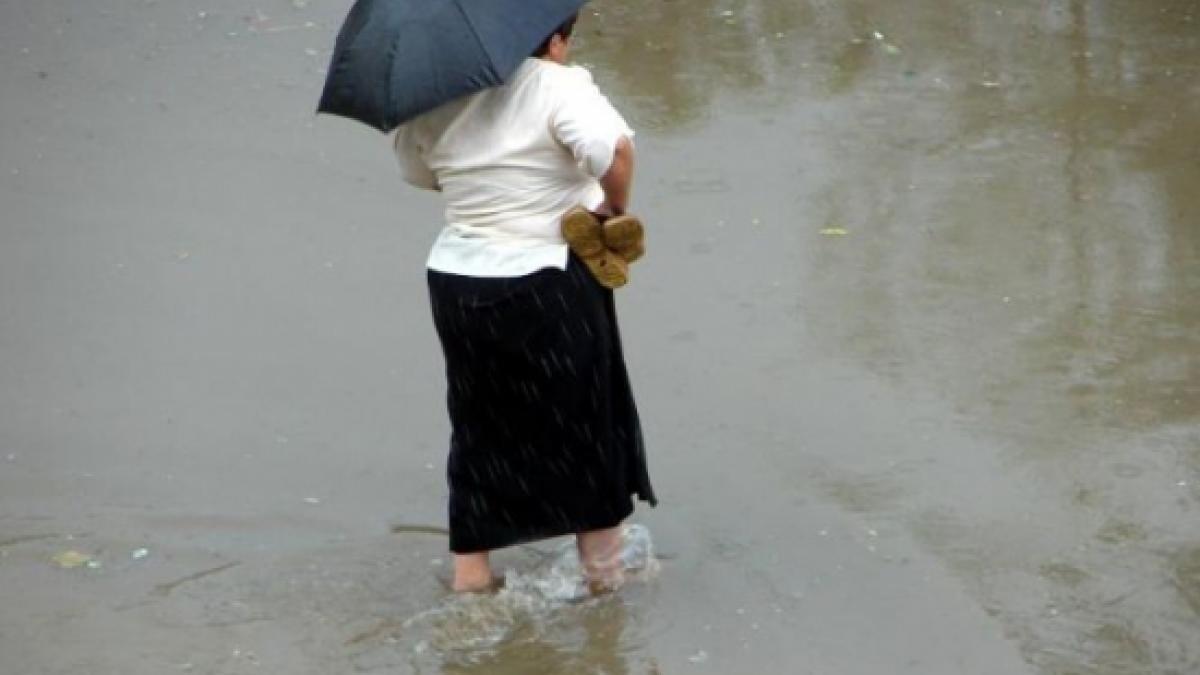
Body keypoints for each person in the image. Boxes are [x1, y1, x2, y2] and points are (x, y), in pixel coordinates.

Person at [393, 14, 657, 594]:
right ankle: (604, 588)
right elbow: (614, 154)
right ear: (554, 37)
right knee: (586, 423)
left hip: (459, 283)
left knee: (479, 425)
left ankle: (472, 585)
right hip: (548, 277)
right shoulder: (556, 84)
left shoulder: (433, 93)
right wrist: (612, 211)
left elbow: (420, 172)